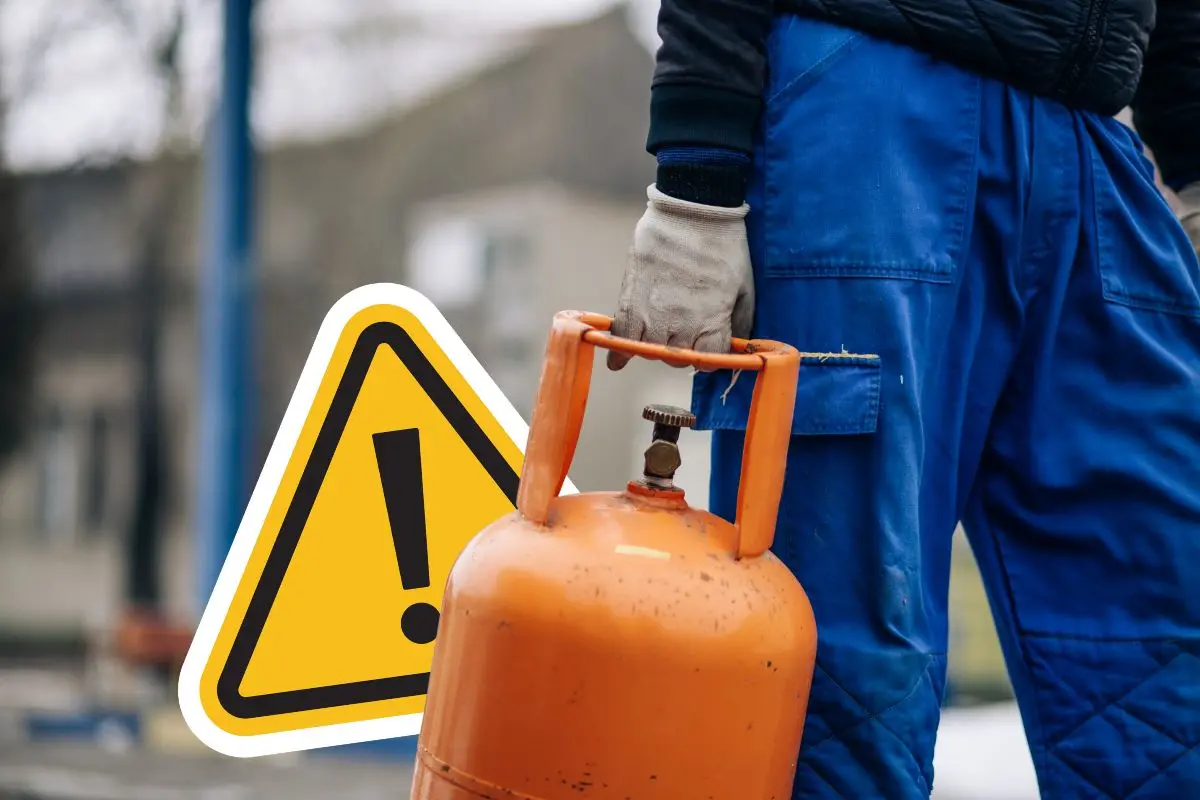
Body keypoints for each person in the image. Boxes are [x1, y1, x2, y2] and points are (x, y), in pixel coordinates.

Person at [608, 0, 1200, 796]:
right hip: (869, 116)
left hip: (1095, 143)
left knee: (1165, 643)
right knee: (843, 664)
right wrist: (695, 188)